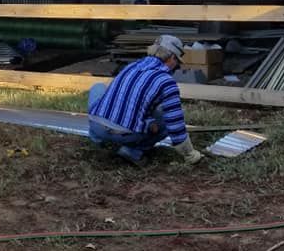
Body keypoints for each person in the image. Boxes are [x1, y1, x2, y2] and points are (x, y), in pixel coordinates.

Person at [87, 34, 205, 166]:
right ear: (172, 57)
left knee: (98, 88)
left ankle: (96, 137)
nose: (176, 65)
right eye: (177, 61)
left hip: (97, 125)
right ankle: (132, 151)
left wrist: (148, 121)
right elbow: (175, 124)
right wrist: (191, 155)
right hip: (125, 134)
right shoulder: (166, 81)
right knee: (167, 116)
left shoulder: (132, 66)